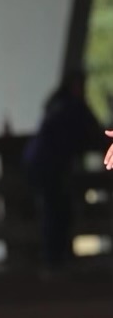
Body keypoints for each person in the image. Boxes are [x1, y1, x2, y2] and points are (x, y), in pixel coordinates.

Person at [23, 69, 104, 271]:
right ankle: (55, 259)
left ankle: (56, 258)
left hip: (43, 165)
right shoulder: (72, 106)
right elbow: (92, 131)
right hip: (51, 167)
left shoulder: (57, 105)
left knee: (57, 210)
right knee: (57, 211)